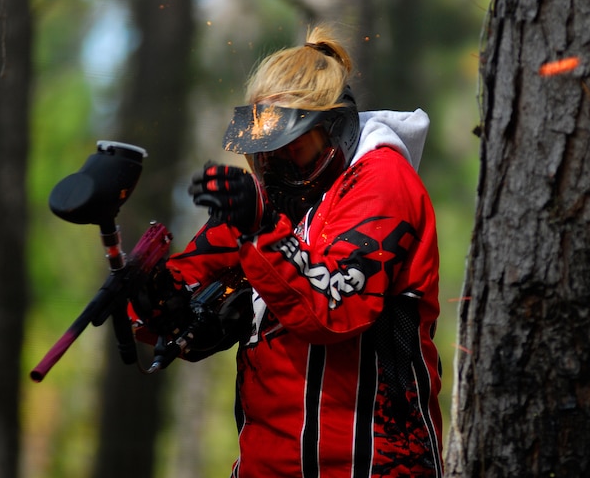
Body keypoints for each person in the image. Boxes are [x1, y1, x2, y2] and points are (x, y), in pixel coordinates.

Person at [134, 25, 443, 477]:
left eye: (295, 151)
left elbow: (334, 307)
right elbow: (188, 279)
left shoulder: (382, 180)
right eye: (266, 155)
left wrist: (260, 230)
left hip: (373, 466)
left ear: (336, 130)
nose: (277, 171)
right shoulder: (268, 207)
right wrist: (149, 288)